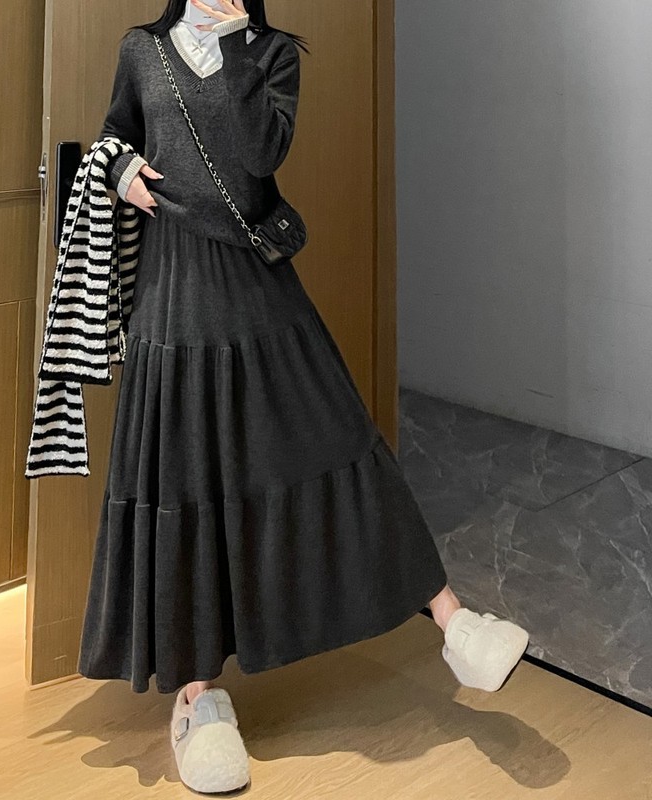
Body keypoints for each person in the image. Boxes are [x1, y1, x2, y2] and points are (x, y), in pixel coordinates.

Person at [76, 0, 530, 794]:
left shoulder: (274, 53)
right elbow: (116, 131)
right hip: (175, 296)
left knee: (339, 440)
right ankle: (198, 700)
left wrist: (238, 49)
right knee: (186, 480)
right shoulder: (141, 49)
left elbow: (260, 155)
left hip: (258, 291)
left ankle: (455, 622)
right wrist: (117, 171)